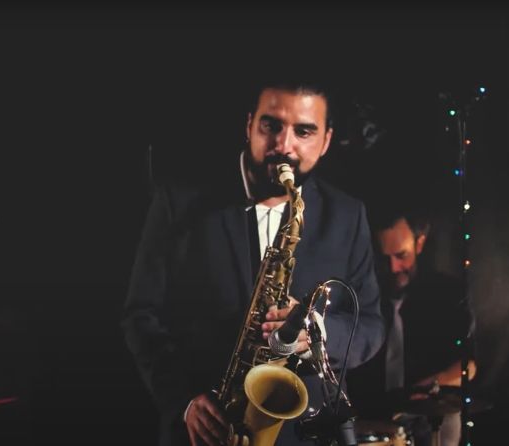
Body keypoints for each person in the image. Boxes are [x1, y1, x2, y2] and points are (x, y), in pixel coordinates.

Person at [122, 79, 385, 446]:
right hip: (204, 429)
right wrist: (184, 401)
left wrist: (316, 333)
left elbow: (371, 327)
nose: (284, 145)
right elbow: (141, 316)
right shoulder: (178, 203)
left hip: (304, 434)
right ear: (249, 125)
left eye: (304, 131)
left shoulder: (347, 215)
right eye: (271, 125)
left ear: (326, 141)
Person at [346, 203, 477, 446]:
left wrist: (430, 384)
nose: (393, 267)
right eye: (385, 258)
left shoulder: (447, 293)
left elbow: (468, 365)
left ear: (420, 243)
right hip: (374, 415)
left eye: (401, 255)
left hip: (430, 416)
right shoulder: (363, 297)